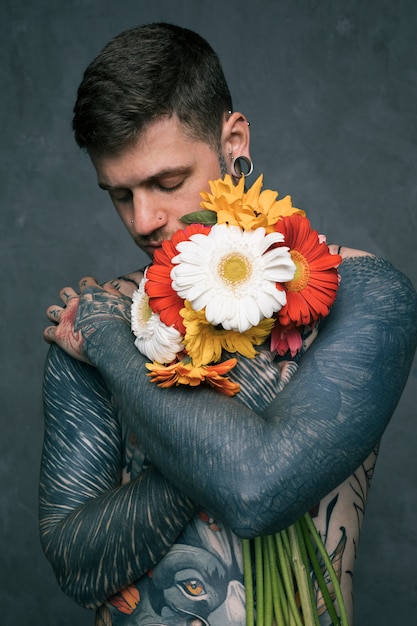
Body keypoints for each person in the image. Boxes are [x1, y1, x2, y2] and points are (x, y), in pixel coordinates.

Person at [40, 22, 417, 626]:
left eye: (166, 183)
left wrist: (114, 348)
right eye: (119, 195)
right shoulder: (105, 309)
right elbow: (76, 566)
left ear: (234, 141)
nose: (143, 220)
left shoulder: (360, 293)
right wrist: (231, 433)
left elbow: (257, 491)